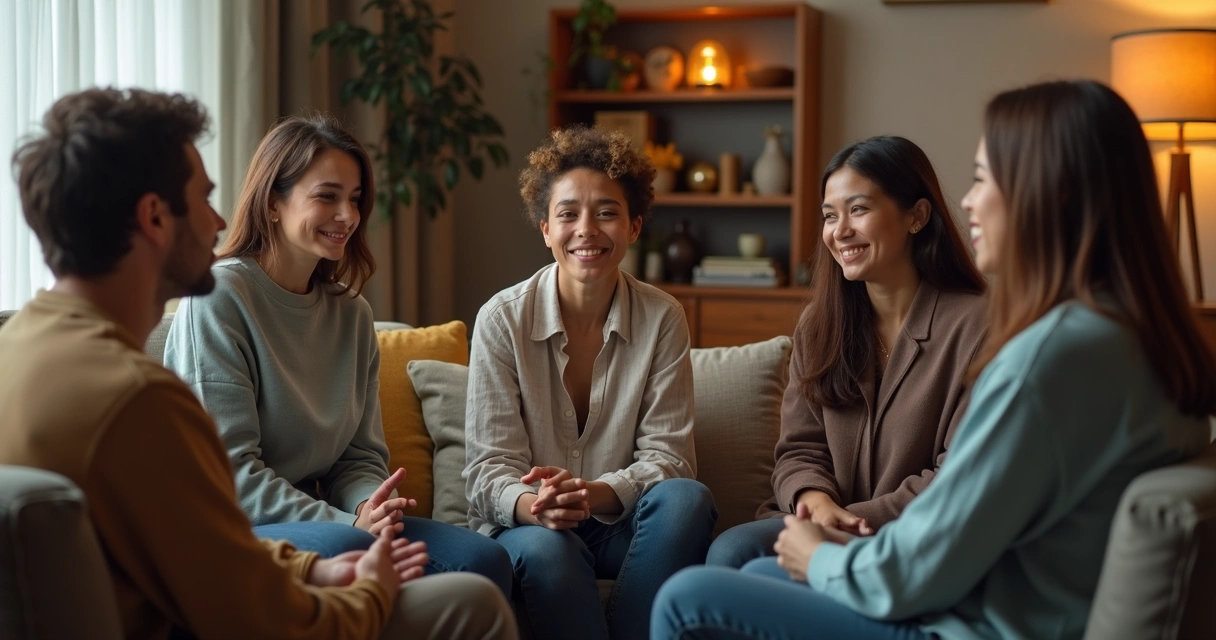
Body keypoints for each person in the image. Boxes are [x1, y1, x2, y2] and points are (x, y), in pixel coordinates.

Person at [652, 79, 1216, 640]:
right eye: (829, 214)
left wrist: (822, 558)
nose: (967, 201)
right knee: (754, 567)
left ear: (1053, 193)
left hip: (974, 619)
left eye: (983, 178)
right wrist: (816, 514)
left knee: (686, 598)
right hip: (991, 599)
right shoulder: (1135, 337)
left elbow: (934, 552)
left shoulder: (1043, 359)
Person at [0, 87, 515, 639]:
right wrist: (365, 588)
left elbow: (199, 539)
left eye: (356, 198)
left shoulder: (23, 347)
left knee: (476, 565)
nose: (219, 220)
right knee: (472, 604)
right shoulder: (135, 395)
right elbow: (241, 589)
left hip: (237, 574)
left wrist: (314, 567)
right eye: (203, 199)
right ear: (154, 217)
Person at [161, 113, 513, 594]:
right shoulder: (218, 297)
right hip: (234, 525)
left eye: (355, 198)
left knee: (485, 558)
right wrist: (348, 525)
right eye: (327, 196)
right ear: (273, 203)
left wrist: (370, 506)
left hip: (332, 523)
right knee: (349, 547)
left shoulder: (352, 314)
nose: (347, 215)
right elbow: (228, 473)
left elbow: (358, 457)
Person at [464, 126, 718, 640]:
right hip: (530, 527)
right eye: (568, 214)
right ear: (545, 229)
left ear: (634, 226)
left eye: (606, 213)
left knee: (688, 499)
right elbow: (488, 469)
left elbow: (671, 458)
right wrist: (539, 505)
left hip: (620, 527)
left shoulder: (662, 317)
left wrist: (592, 494)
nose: (586, 230)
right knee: (546, 549)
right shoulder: (502, 319)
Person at [706, 135, 988, 568]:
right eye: (829, 215)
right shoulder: (819, 324)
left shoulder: (977, 325)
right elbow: (799, 450)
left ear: (916, 216)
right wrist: (817, 504)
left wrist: (851, 523)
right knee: (732, 549)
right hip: (817, 521)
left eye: (858, 209)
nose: (839, 232)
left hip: (914, 534)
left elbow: (961, 472)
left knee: (752, 568)